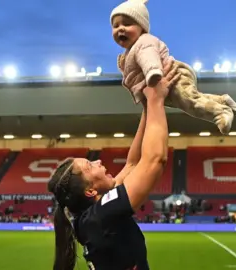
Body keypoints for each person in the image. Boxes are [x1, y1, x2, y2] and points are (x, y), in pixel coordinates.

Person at [47, 57, 179, 270]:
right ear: (90, 191)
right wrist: (156, 100)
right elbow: (155, 160)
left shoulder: (89, 217)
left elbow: (132, 163)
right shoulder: (102, 215)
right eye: (90, 167)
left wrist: (147, 106)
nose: (98, 161)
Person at [111, 0, 236, 134]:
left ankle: (220, 112)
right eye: (116, 26)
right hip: (163, 83)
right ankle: (222, 100)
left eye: (127, 24)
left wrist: (153, 73)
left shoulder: (144, 42)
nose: (120, 28)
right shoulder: (129, 52)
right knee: (191, 99)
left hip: (171, 76)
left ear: (142, 27)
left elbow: (149, 58)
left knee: (191, 103)